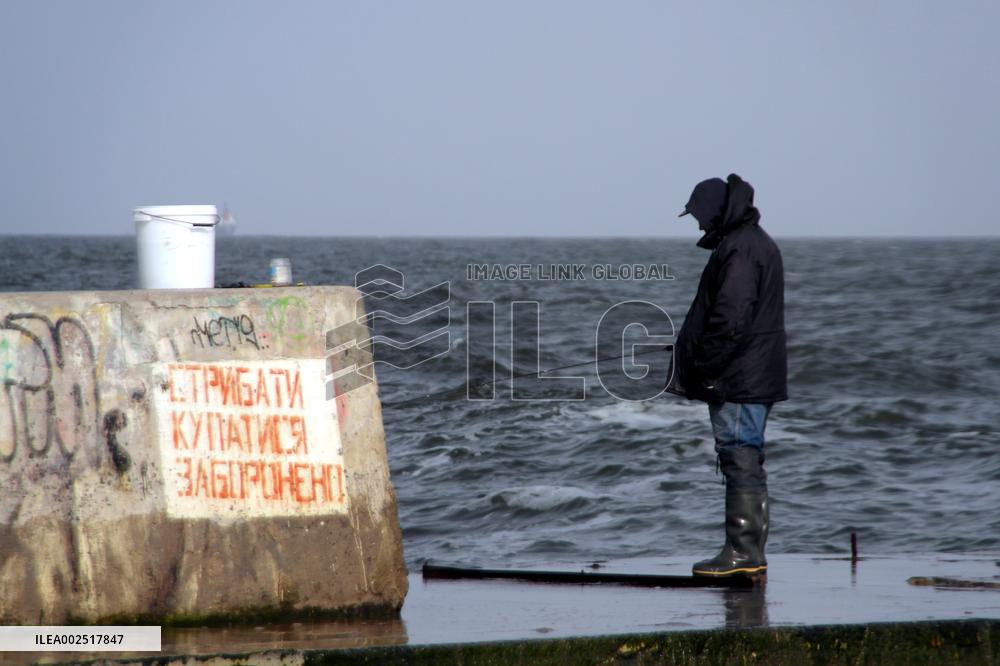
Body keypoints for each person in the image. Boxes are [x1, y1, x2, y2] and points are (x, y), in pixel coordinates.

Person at [667, 173, 787, 577]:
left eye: (699, 216)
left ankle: (743, 553)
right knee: (743, 455)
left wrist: (705, 366)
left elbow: (730, 321)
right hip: (749, 372)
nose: (699, 224)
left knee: (739, 455)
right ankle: (748, 553)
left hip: (739, 377)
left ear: (716, 211)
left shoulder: (739, 250)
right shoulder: (752, 243)